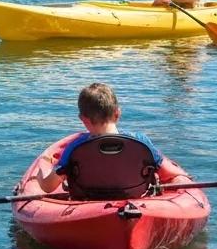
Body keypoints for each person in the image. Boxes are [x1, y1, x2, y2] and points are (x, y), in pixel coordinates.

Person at [34, 83, 164, 194]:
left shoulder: (75, 148)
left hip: (87, 201)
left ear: (83, 120)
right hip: (133, 198)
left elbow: (48, 187)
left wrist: (41, 169)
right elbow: (172, 174)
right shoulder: (141, 142)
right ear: (117, 113)